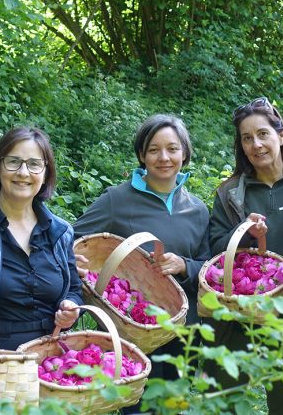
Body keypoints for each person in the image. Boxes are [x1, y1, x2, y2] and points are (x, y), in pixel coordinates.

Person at [72, 114, 210, 384]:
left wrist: (184, 265)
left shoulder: (198, 209)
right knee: (137, 406)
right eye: (154, 150)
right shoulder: (117, 200)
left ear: (185, 153)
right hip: (132, 327)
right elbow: (73, 238)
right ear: (141, 155)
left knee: (173, 403)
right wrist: (77, 264)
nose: (164, 157)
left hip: (182, 329)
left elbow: (207, 267)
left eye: (172, 149)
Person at [207, 96, 283, 414]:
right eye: (247, 138)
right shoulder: (230, 193)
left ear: (281, 135)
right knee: (228, 397)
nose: (256, 144)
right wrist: (246, 232)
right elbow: (215, 247)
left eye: (263, 134)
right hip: (240, 315)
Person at [0, 128, 82, 350]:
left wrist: (72, 308)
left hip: (49, 361)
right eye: (13, 162)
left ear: (45, 174)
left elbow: (73, 289)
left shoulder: (60, 231)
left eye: (34, 164)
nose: (23, 172)